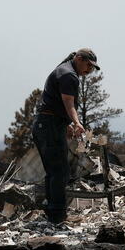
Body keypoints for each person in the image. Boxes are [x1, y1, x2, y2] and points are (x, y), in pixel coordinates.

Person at [31, 48, 100, 224]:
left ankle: (53, 212)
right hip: (49, 125)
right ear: (78, 58)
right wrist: (76, 122)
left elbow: (56, 104)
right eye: (88, 65)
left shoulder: (63, 70)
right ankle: (58, 216)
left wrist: (66, 123)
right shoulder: (69, 75)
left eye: (92, 68)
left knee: (54, 171)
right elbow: (68, 103)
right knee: (59, 171)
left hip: (46, 124)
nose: (89, 70)